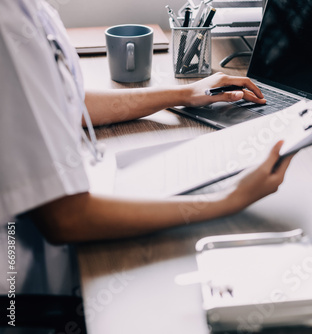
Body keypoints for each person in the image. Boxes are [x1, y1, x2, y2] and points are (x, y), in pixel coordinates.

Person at [0, 0, 293, 331]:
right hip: (27, 295)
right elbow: (65, 218)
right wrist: (229, 199)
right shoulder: (7, 24)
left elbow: (63, 103)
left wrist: (182, 94)